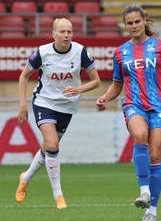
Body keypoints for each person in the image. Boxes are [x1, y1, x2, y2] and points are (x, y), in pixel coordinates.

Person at [96, 5, 161, 221]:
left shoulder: (160, 46)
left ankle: (152, 212)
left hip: (160, 106)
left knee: (154, 156)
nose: (134, 26)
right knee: (140, 136)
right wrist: (105, 96)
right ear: (125, 25)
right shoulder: (120, 52)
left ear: (144, 21)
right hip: (134, 104)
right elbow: (117, 85)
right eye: (129, 23)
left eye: (137, 21)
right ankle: (144, 191)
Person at [16, 18, 101, 209]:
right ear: (53, 34)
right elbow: (23, 76)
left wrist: (79, 89)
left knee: (48, 149)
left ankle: (26, 177)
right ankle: (58, 195)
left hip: (67, 106)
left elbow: (96, 81)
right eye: (62, 32)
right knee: (53, 145)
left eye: (69, 32)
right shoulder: (43, 52)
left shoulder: (80, 51)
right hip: (44, 102)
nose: (66, 35)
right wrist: (22, 105)